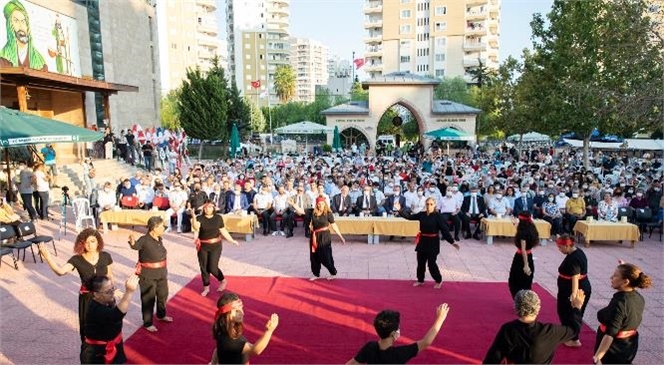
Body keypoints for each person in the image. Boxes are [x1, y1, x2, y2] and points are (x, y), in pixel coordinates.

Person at [38, 228, 115, 342]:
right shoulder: (76, 260)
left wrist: (112, 292)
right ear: (82, 243)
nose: (90, 245)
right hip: (87, 300)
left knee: (107, 329)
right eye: (86, 242)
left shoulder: (106, 256)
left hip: (105, 299)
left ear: (98, 242)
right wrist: (48, 258)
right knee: (88, 332)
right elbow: (60, 272)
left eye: (92, 241)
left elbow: (110, 276)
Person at [483, 289, 587, 364]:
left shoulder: (508, 330)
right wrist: (577, 308)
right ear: (538, 308)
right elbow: (574, 329)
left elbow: (491, 360)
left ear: (516, 308)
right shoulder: (550, 332)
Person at [346, 304, 451, 364]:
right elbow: (426, 342)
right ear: (393, 334)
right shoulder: (399, 354)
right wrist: (440, 318)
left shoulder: (370, 347)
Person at [592, 262, 652, 365]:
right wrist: (628, 270)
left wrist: (598, 357)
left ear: (625, 281)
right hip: (629, 344)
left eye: (615, 275)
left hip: (614, 349)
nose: (611, 277)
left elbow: (610, 335)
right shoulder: (638, 297)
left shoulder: (619, 303)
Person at [394, 197, 460, 289]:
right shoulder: (422, 214)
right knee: (420, 262)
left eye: (431, 204)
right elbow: (409, 217)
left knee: (431, 263)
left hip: (433, 242)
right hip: (423, 241)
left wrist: (452, 242)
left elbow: (445, 231)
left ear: (435, 205)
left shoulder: (438, 216)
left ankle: (438, 280)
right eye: (427, 204)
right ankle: (420, 280)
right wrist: (400, 210)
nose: (429, 206)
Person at [81, 274, 138, 364]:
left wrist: (112, 300)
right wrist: (129, 292)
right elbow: (117, 315)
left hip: (115, 346)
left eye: (113, 289)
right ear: (96, 294)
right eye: (108, 291)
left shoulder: (106, 301)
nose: (112, 293)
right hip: (96, 354)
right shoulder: (95, 309)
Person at [128, 216, 172, 333]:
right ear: (154, 228)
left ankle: (161, 315)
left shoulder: (159, 238)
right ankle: (147, 323)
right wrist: (132, 241)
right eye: (162, 226)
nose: (164, 229)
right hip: (148, 275)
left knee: (163, 294)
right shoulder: (144, 239)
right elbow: (135, 246)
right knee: (148, 298)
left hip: (161, 273)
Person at [210, 292, 279, 364]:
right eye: (237, 311)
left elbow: (218, 349)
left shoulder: (223, 331)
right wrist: (269, 331)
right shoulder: (231, 341)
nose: (242, 313)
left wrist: (213, 363)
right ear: (227, 315)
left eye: (241, 309)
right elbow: (255, 351)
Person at [190, 202, 240, 297]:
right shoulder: (199, 218)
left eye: (209, 207)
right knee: (204, 267)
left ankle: (223, 280)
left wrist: (231, 240)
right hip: (203, 245)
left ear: (213, 208)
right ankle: (206, 287)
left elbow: (223, 230)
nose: (207, 209)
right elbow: (196, 227)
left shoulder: (218, 218)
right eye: (205, 208)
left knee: (212, 267)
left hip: (215, 245)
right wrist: (193, 217)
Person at [555, 234, 592, 348]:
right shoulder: (576, 251)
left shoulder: (574, 259)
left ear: (567, 246)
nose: (559, 250)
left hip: (573, 289)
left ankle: (574, 339)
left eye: (560, 247)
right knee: (568, 313)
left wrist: (574, 296)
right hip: (571, 288)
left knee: (571, 314)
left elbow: (575, 278)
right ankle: (571, 336)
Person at [0, 0, 48, 70]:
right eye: (16, 21)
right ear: (9, 26)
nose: (21, 26)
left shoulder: (40, 63)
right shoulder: (3, 59)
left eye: (23, 21)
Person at [308, 196, 345, 281]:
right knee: (314, 256)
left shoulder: (328, 213)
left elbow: (334, 225)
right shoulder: (313, 213)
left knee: (325, 255)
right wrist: (294, 204)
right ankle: (316, 274)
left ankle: (332, 272)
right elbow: (301, 212)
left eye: (322, 204)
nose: (320, 205)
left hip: (324, 236)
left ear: (325, 204)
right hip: (314, 236)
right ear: (316, 205)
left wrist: (341, 236)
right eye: (319, 204)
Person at [508, 212, 538, 299]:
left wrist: (526, 265)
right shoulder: (531, 229)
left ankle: (519, 300)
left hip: (521, 258)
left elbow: (523, 250)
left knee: (514, 280)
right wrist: (513, 222)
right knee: (526, 281)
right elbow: (517, 225)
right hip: (529, 256)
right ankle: (526, 300)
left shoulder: (522, 233)